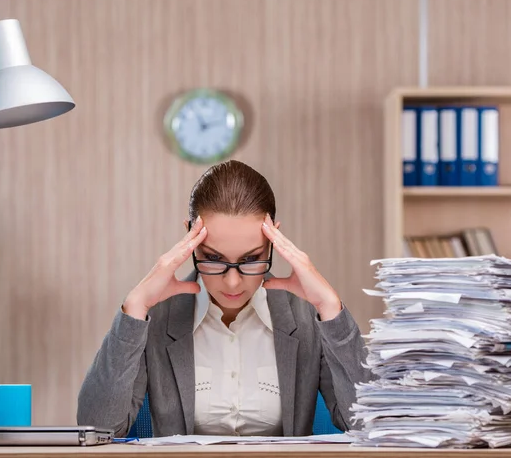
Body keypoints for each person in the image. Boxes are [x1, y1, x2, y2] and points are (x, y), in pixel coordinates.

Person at [77, 160, 373, 437]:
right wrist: (135, 309)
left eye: (251, 258)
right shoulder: (154, 317)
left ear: (273, 241)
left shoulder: (308, 316)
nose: (232, 281)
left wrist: (331, 308)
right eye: (213, 258)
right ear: (189, 240)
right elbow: (99, 427)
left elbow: (369, 424)